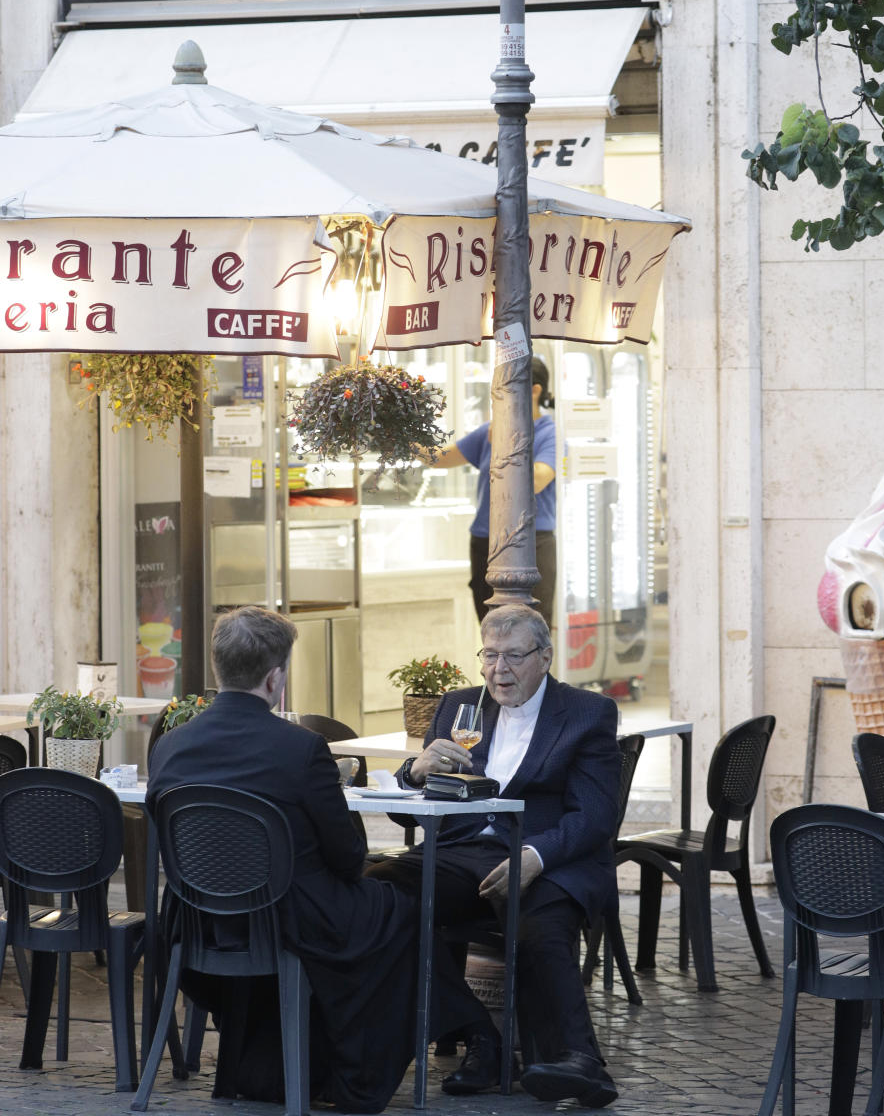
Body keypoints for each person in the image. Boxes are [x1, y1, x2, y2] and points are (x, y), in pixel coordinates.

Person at [147, 605, 498, 1112]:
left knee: (382, 903)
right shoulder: (302, 748)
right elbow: (348, 854)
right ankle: (357, 1073)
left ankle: (285, 1065)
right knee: (399, 907)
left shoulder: (170, 745)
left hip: (198, 921)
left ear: (219, 670)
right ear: (275, 678)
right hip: (294, 917)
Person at [367, 603, 620, 1106]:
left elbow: (594, 816)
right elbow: (415, 812)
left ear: (545, 657)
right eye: (489, 655)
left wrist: (535, 856)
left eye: (513, 657)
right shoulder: (459, 706)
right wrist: (415, 773)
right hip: (463, 851)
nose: (498, 670)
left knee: (542, 921)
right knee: (376, 893)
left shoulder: (587, 713)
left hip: (545, 855)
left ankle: (579, 1060)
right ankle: (481, 1035)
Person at [424, 355, 557, 626]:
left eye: (509, 386)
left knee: (532, 631)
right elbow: (438, 457)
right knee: (491, 628)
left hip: (531, 544)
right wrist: (399, 433)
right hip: (485, 542)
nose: (500, 394)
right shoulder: (488, 431)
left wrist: (505, 445)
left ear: (535, 391)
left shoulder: (548, 433)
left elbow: (539, 479)